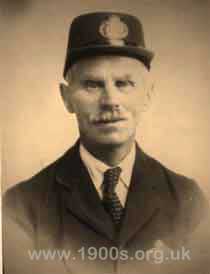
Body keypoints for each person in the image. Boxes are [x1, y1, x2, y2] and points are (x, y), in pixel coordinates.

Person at [3, 12, 210, 274]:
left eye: (124, 83)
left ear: (147, 95)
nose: (111, 100)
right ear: (66, 98)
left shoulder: (187, 202)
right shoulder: (22, 207)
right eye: (92, 84)